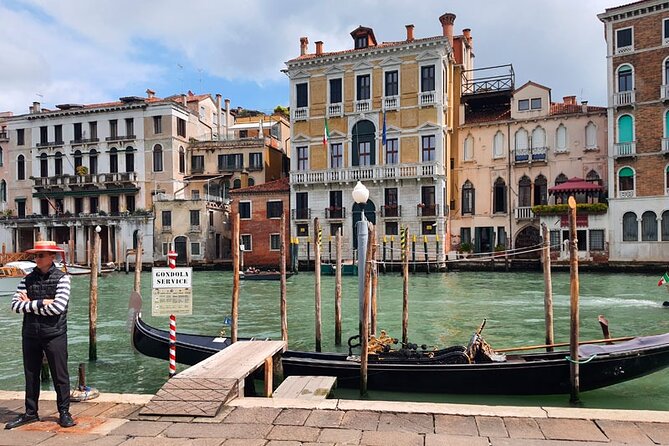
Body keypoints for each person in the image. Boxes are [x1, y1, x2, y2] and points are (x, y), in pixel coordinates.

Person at [5, 241, 75, 429]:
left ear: (52, 257)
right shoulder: (26, 279)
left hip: (55, 334)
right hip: (30, 333)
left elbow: (58, 308)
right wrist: (43, 302)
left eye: (41, 255)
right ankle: (30, 413)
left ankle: (64, 412)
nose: (37, 258)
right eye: (36, 255)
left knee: (60, 375)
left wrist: (30, 304)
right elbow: (15, 306)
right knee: (31, 374)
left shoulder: (63, 279)